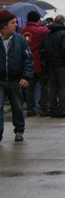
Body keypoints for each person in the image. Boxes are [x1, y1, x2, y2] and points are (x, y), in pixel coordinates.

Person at [0, 10, 33, 142]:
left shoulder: (20, 40)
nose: (16, 25)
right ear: (3, 25)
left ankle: (19, 130)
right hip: (0, 80)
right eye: (13, 23)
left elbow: (28, 60)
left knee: (18, 108)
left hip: (15, 81)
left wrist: (25, 76)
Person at [20, 11, 51, 117]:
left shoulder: (23, 30)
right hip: (40, 62)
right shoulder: (41, 30)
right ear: (37, 19)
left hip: (28, 62)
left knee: (30, 87)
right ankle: (44, 108)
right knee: (44, 86)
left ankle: (31, 108)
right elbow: (49, 31)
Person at [43, 15, 65, 118]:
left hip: (51, 64)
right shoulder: (64, 34)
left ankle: (53, 110)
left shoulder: (48, 35)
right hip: (62, 64)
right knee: (63, 88)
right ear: (63, 23)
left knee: (53, 88)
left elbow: (44, 49)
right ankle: (62, 111)